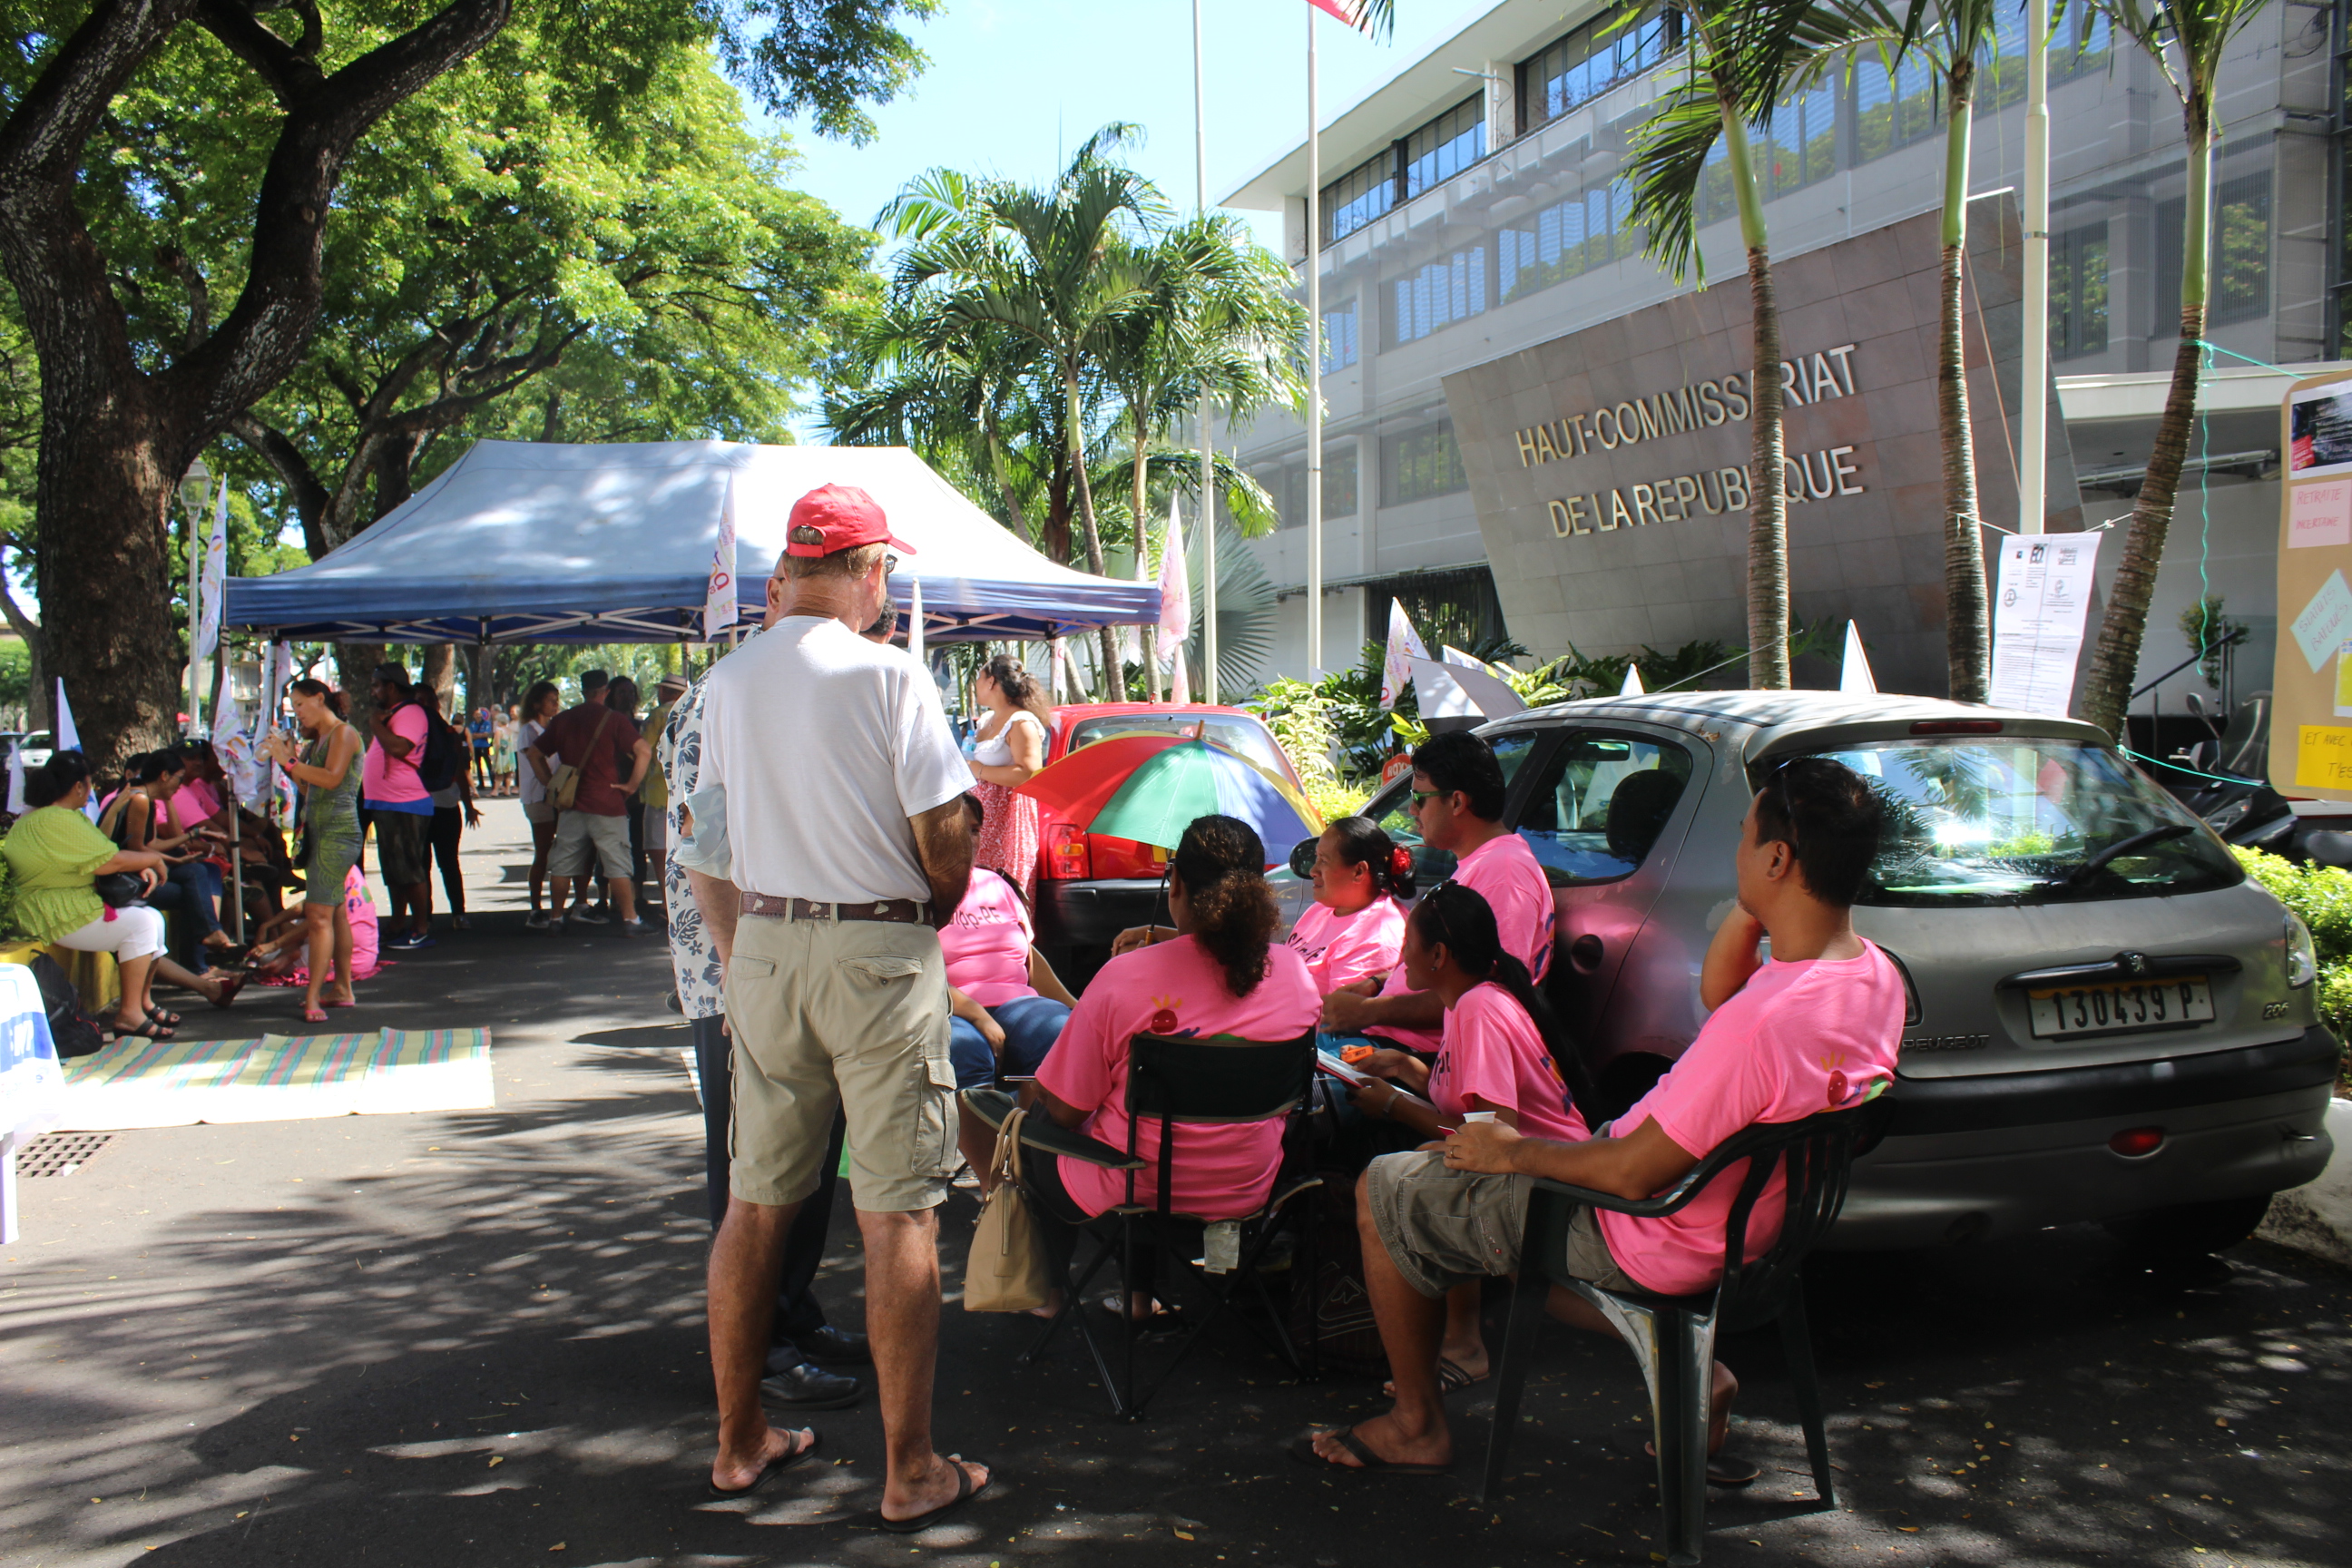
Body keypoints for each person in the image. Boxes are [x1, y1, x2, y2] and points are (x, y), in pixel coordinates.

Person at [1298, 757, 1905, 1478]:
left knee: (1383, 1188)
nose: (1735, 855)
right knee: (1519, 1226)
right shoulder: (1874, 975)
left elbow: (1628, 1169)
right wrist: (1755, 903)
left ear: (1778, 857)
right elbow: (1720, 990)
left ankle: (1416, 1422)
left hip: (1656, 1226)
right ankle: (1685, 1360)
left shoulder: (1762, 1026)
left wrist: (1512, 1152)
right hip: (1759, 1233)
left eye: (1745, 841)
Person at [694, 482, 986, 1524]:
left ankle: (738, 1444)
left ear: (793, 569)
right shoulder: (890, 676)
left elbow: (707, 854)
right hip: (877, 946)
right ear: (868, 572)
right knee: (897, 1204)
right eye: (886, 576)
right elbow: (946, 834)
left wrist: (742, 963)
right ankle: (911, 1471)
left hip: (768, 946)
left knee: (756, 1202)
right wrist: (932, 912)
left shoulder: (727, 683)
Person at [663, 568, 868, 1416]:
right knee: (754, 1173)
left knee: (811, 1165)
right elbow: (705, 848)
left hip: (793, 968)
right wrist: (745, 973)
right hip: (741, 974)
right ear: (780, 602)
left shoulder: (775, 692)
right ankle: (760, 1352)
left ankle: (792, 1310)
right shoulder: (726, 698)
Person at [1015, 814, 1320, 1326]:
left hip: (1138, 1193)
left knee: (1040, 1133)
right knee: (1140, 1134)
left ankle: (1048, 1292)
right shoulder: (1293, 972)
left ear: (1176, 883)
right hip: (1249, 1189)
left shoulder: (1124, 978)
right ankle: (1138, 1296)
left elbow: (1066, 1111)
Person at [1344, 881, 1592, 1398]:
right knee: (1422, 1163)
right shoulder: (1467, 1000)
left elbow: (1490, 1140)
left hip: (1555, 1185)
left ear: (1438, 954)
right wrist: (1409, 1070)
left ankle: (1462, 1344)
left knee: (1403, 1178)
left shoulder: (1479, 1007)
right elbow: (1468, 1106)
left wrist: (1394, 1104)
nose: (1400, 956)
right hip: (1544, 1169)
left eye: (1408, 943)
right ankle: (1458, 1338)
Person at [1318, 731, 1556, 1057]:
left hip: (1410, 1053)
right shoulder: (1485, 864)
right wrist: (1377, 984)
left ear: (1457, 802)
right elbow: (1450, 969)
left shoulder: (1504, 873)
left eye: (1420, 797)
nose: (1410, 809)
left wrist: (1369, 1011)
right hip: (1388, 1039)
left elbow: (1487, 995)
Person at [3, 750, 241, 1038]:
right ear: (79, 786)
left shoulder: (48, 817)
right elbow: (109, 861)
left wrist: (120, 818)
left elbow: (103, 850)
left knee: (151, 918)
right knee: (142, 923)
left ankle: (140, 1003)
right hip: (51, 913)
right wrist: (152, 861)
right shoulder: (56, 819)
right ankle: (130, 1013)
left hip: (60, 906)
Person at [943, 791, 1079, 1176]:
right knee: (968, 1051)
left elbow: (1030, 960)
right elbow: (921, 974)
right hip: (952, 1008)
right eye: (957, 830)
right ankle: (991, 1183)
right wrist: (979, 1017)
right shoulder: (917, 894)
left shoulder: (998, 885)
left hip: (1018, 1003)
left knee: (1060, 1032)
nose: (968, 840)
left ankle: (1027, 1162)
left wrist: (1078, 1006)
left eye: (974, 830)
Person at [260, 680, 365, 1022]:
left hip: (338, 832)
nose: (297, 713)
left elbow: (332, 779)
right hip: (319, 831)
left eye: (300, 705)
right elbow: (308, 784)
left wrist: (288, 760)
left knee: (319, 916)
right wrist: (289, 758)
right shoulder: (317, 739)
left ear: (320, 699)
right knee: (333, 914)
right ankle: (342, 988)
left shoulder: (343, 734)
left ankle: (312, 999)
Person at [525, 670, 652, 937]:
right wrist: (631, 785)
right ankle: (630, 919)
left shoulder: (563, 720)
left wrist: (550, 783)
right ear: (605, 691)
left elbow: (535, 753)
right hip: (607, 801)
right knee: (617, 862)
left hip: (571, 802)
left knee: (563, 863)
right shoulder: (614, 719)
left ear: (583, 691)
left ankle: (557, 917)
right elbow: (644, 750)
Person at [1287, 816, 1412, 997]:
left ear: (1359, 871)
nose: (1313, 871)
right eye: (1316, 858)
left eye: (1324, 860)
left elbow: (1335, 1016)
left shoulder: (1377, 939)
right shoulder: (1323, 908)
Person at [363, 663, 437, 952]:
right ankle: (397, 923)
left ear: (391, 686)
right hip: (387, 802)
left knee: (410, 868)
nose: (373, 691)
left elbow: (399, 748)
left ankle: (420, 927)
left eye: (376, 685)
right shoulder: (394, 714)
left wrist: (375, 724)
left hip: (405, 801)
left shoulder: (410, 713)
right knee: (394, 869)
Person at [964, 654, 1049, 903]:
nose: (977, 683)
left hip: (1007, 821)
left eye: (980, 677)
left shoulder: (1021, 722)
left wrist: (978, 770)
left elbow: (1029, 773)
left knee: (1005, 889)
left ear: (991, 682)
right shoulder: (988, 720)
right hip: (981, 819)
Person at [423, 685, 483, 931]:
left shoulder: (446, 734)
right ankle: (433, 915)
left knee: (440, 862)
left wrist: (468, 805)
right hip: (432, 806)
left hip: (438, 806)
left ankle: (448, 913)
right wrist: (467, 805)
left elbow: (459, 770)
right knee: (433, 864)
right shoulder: (444, 733)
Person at [514, 682, 563, 928]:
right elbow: (537, 761)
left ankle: (556, 906)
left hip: (554, 795)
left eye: (557, 699)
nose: (555, 704)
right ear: (536, 704)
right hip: (538, 796)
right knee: (542, 851)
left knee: (562, 851)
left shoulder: (553, 727)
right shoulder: (528, 731)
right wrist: (552, 787)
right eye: (550, 700)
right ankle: (535, 907)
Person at [641, 672, 686, 906]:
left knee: (659, 853)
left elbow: (641, 749)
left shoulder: (659, 715)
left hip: (660, 791)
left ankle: (666, 902)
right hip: (688, 791)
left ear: (665, 692)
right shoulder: (695, 710)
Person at [468, 706, 495, 790]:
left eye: (479, 714)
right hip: (476, 746)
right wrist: (480, 735)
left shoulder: (486, 723)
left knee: (488, 764)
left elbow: (487, 734)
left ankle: (493, 782)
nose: (478, 716)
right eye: (476, 714)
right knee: (478, 765)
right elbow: (470, 735)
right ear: (473, 715)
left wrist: (477, 735)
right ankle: (481, 783)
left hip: (484, 746)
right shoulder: (472, 724)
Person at [492, 708, 516, 796]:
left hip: (502, 754)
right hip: (510, 754)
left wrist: (496, 754)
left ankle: (495, 790)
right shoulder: (510, 730)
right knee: (509, 774)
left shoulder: (499, 731)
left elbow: (497, 744)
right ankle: (507, 790)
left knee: (499, 773)